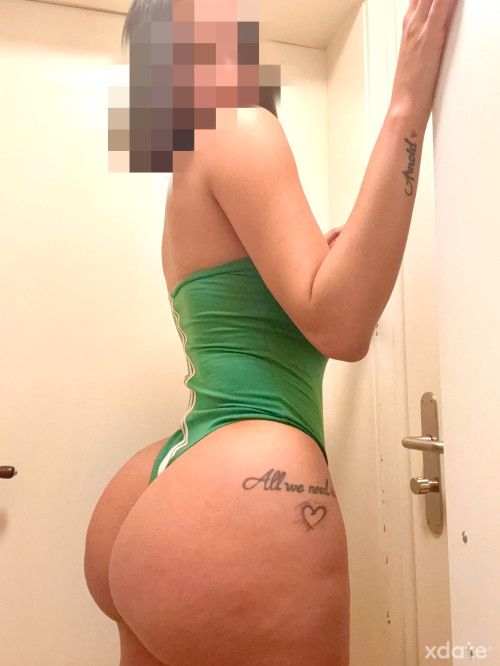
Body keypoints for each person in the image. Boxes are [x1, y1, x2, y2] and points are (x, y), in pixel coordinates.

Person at [84, 0, 459, 663]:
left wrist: (329, 260)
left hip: (169, 479)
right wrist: (407, 101)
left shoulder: (190, 162)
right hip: (250, 481)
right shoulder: (237, 123)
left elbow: (281, 310)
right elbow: (341, 326)